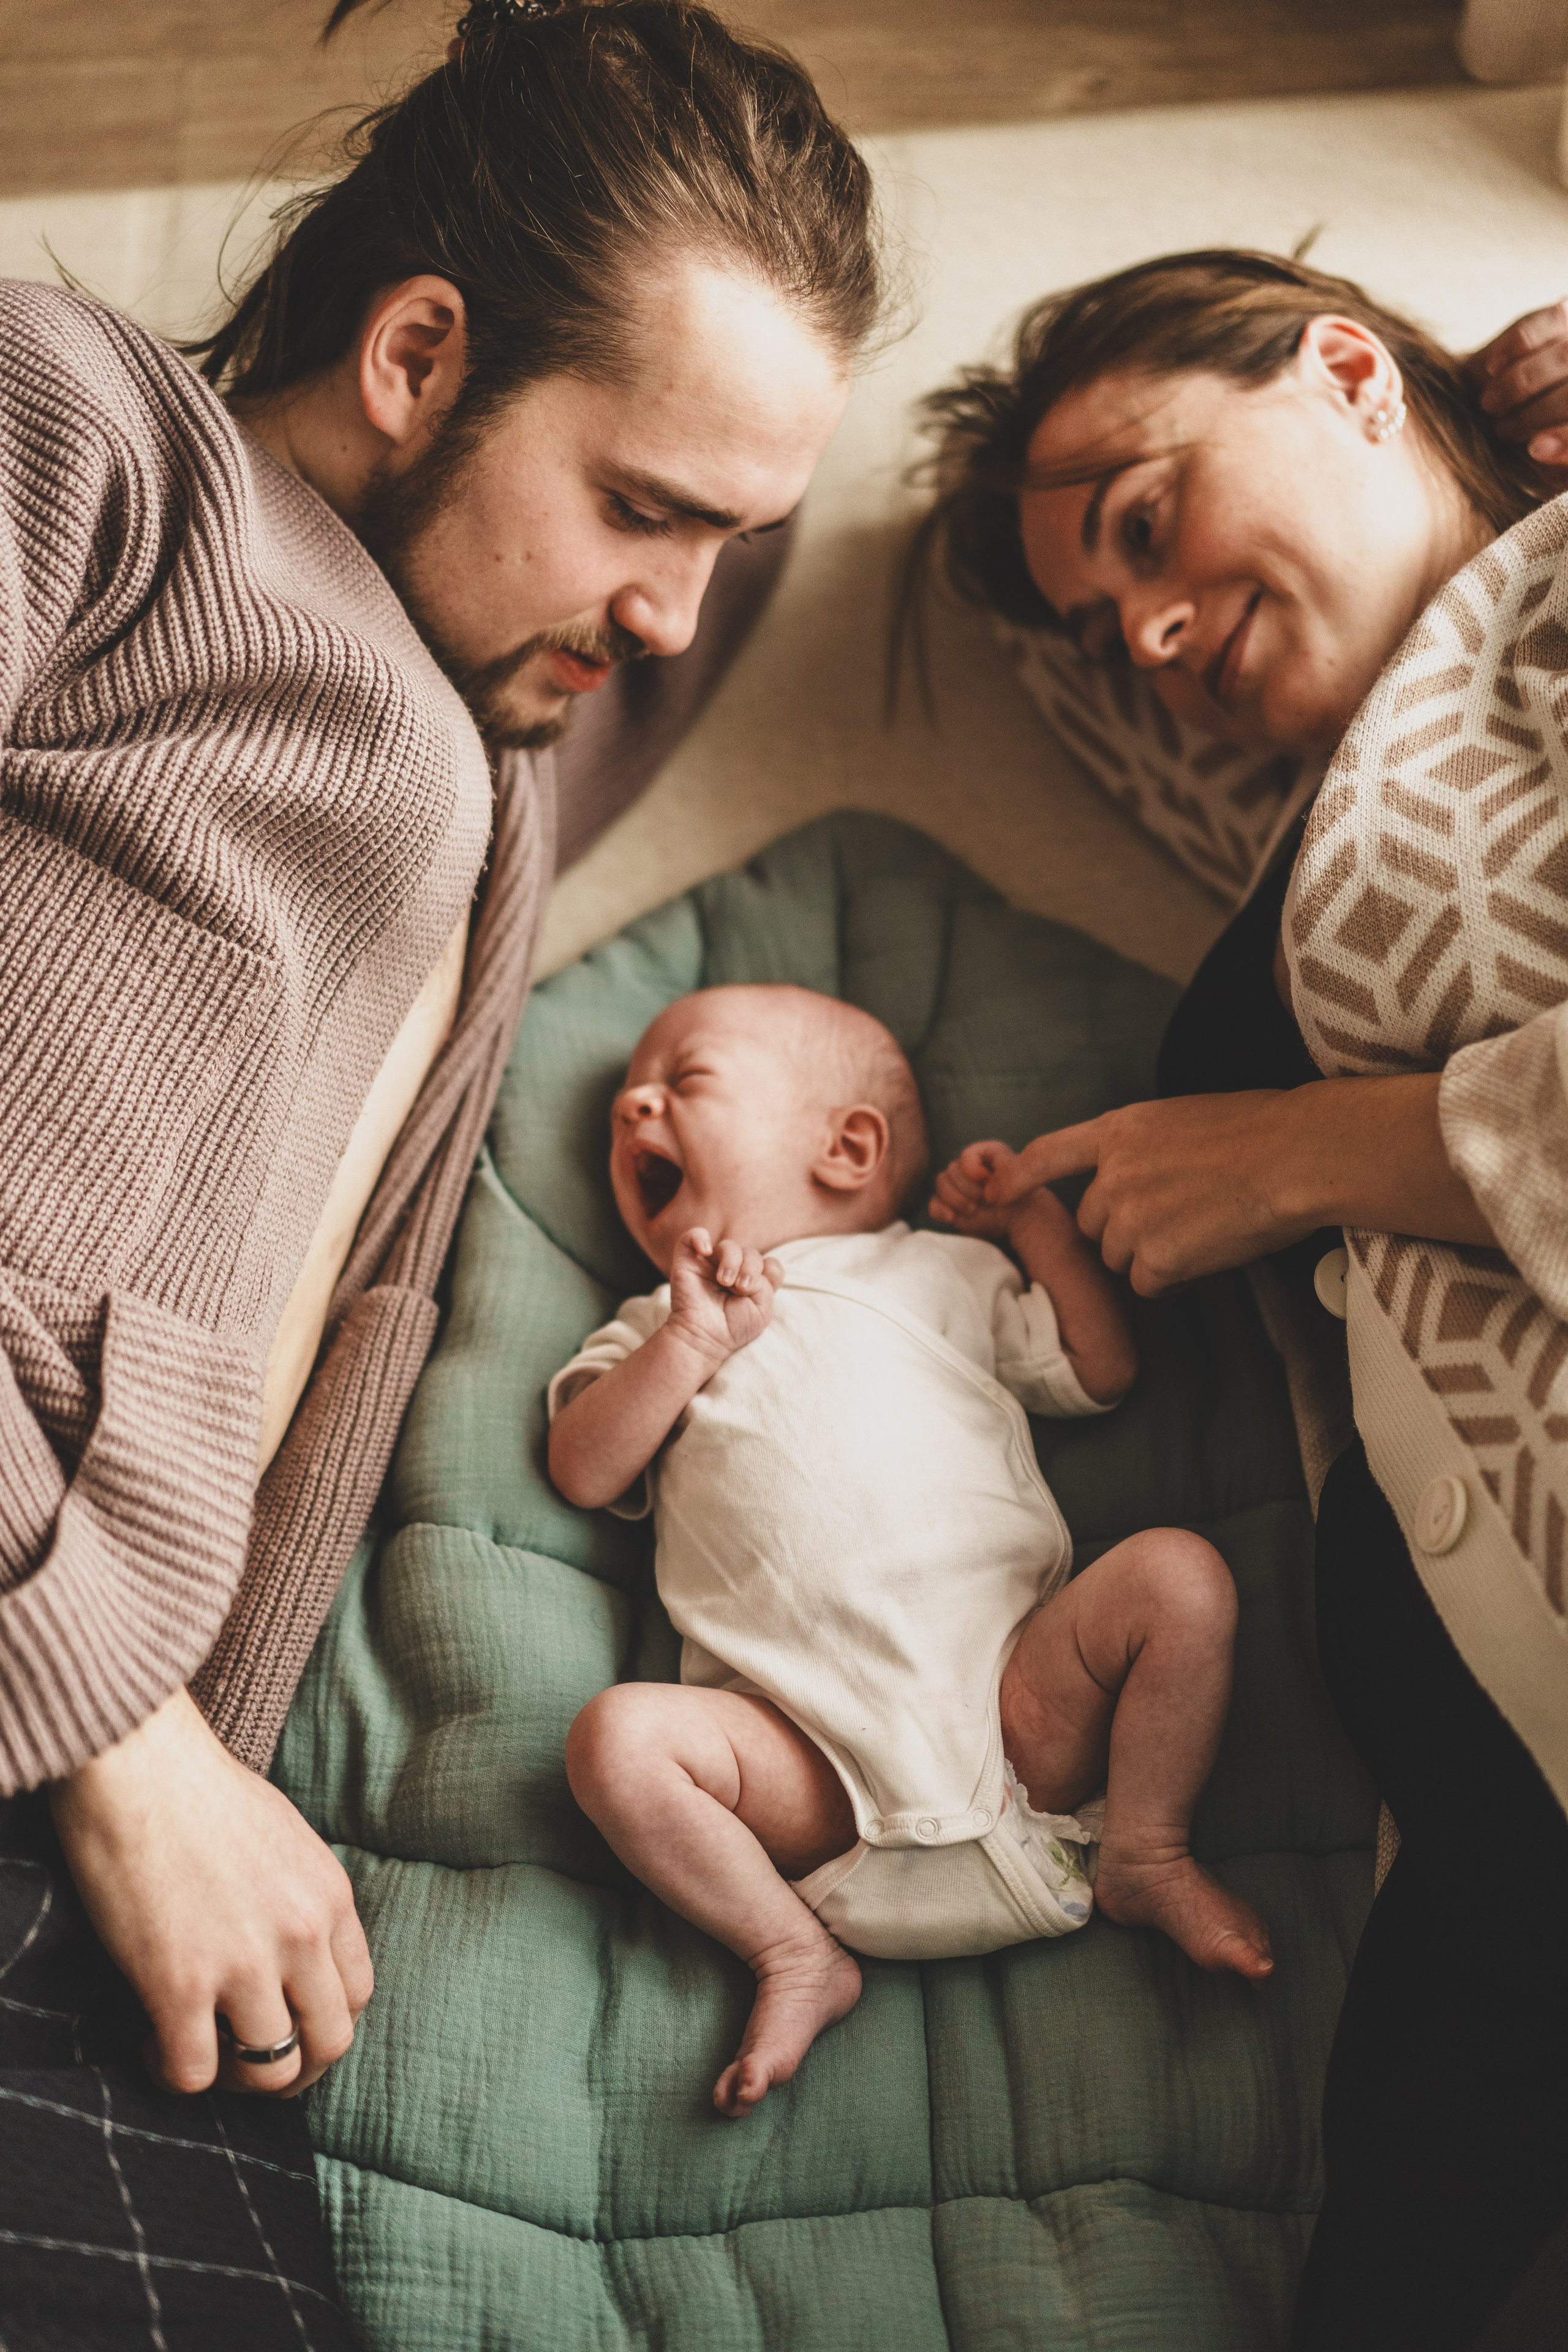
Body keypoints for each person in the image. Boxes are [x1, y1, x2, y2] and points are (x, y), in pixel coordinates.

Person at [0, 2, 883, 2341]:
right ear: (413, 351)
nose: (680, 610)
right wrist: (107, 1719)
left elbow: (703, 563)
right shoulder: (79, 431)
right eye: (645, 509)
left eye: (738, 533)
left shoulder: (500, 763)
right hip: (84, 1734)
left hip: (135, 1857)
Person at [912, 248, 1568, 2350]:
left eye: (1148, 532)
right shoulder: (1314, 793)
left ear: (1355, 374)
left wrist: (1301, 1155)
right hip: (1483, 1800)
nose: (1157, 638)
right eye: (1119, 631)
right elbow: (1078, 668)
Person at [549, 982, 1270, 2119]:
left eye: (681, 1082)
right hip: (806, 1760)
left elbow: (1100, 1370)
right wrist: (689, 1340)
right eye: (622, 1111)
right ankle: (793, 1952)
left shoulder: (940, 1272)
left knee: (1179, 1577)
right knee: (618, 1741)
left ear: (848, 1149)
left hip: (1015, 1707)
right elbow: (585, 1467)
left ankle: (1147, 1849)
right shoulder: (655, 1323)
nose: (633, 1108)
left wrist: (1028, 1231)